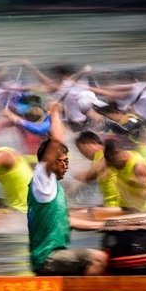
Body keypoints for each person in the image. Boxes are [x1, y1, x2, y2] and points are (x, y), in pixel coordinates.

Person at [27, 101, 108, 276]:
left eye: (67, 162)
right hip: (48, 258)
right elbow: (56, 139)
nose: (66, 166)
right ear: (50, 162)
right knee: (98, 258)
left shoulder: (53, 188)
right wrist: (54, 111)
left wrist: (104, 225)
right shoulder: (42, 177)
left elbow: (67, 222)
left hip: (54, 256)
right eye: (63, 161)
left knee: (107, 253)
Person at [102, 138, 146, 212]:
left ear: (121, 155)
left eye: (113, 163)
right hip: (124, 207)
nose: (112, 166)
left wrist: (136, 183)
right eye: (110, 163)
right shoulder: (113, 159)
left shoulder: (138, 167)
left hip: (141, 211)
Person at [73, 131, 122, 208]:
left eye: (80, 148)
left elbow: (92, 174)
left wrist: (73, 181)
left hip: (116, 205)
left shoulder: (101, 153)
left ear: (92, 143)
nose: (81, 153)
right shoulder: (104, 155)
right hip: (114, 204)